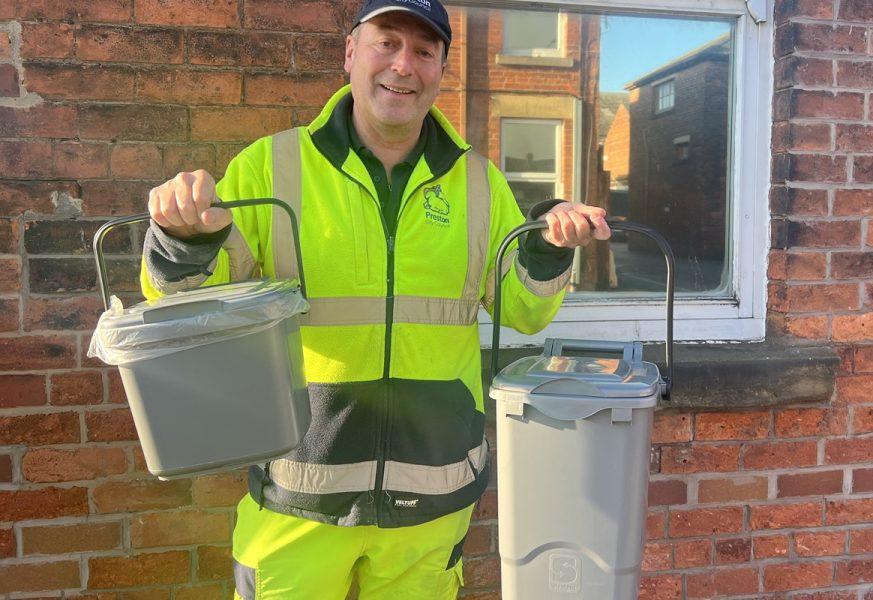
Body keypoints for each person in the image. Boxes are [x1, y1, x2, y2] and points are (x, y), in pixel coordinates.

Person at [140, 0, 611, 597]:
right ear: (350, 54)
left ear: (441, 69)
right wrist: (184, 236)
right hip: (297, 498)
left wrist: (547, 248)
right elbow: (197, 307)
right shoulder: (271, 165)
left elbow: (520, 308)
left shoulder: (480, 183)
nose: (403, 65)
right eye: (386, 42)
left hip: (432, 501)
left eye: (423, 50)